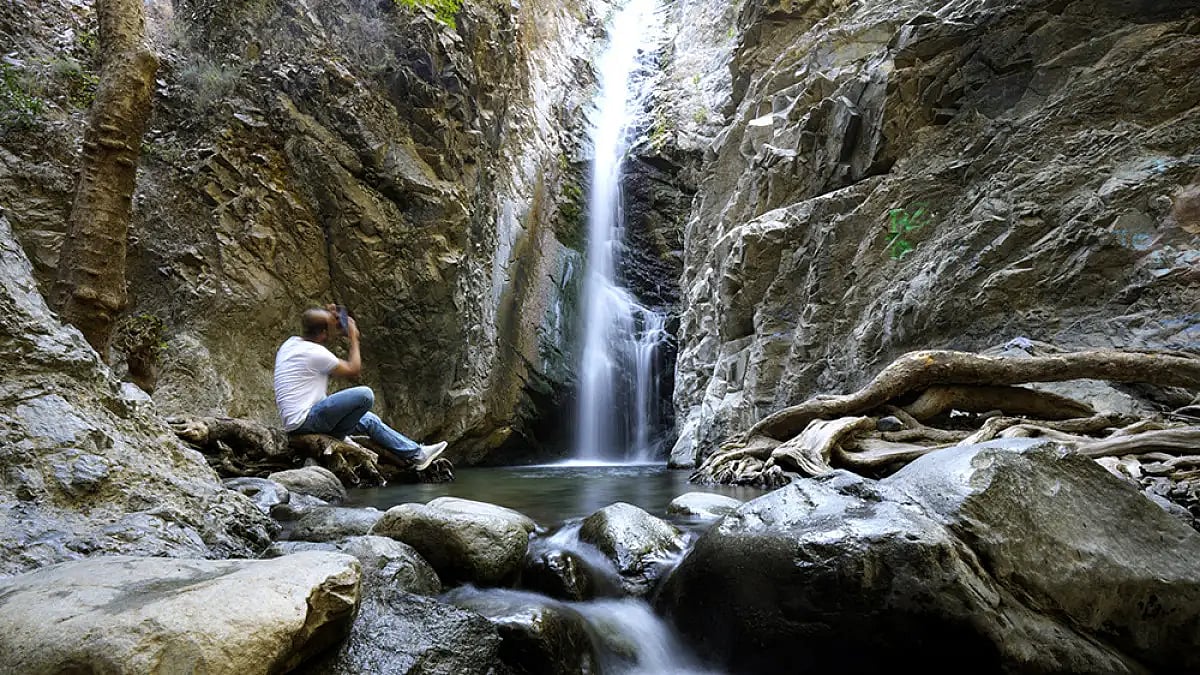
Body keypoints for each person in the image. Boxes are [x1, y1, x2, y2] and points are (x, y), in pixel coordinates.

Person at [273, 305, 447, 470]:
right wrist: (354, 338)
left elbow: (315, 327)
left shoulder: (291, 343)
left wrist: (329, 320)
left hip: (299, 420)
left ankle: (417, 454)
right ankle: (338, 437)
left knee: (369, 420)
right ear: (323, 334)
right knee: (365, 395)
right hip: (306, 420)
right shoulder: (315, 353)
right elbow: (353, 369)